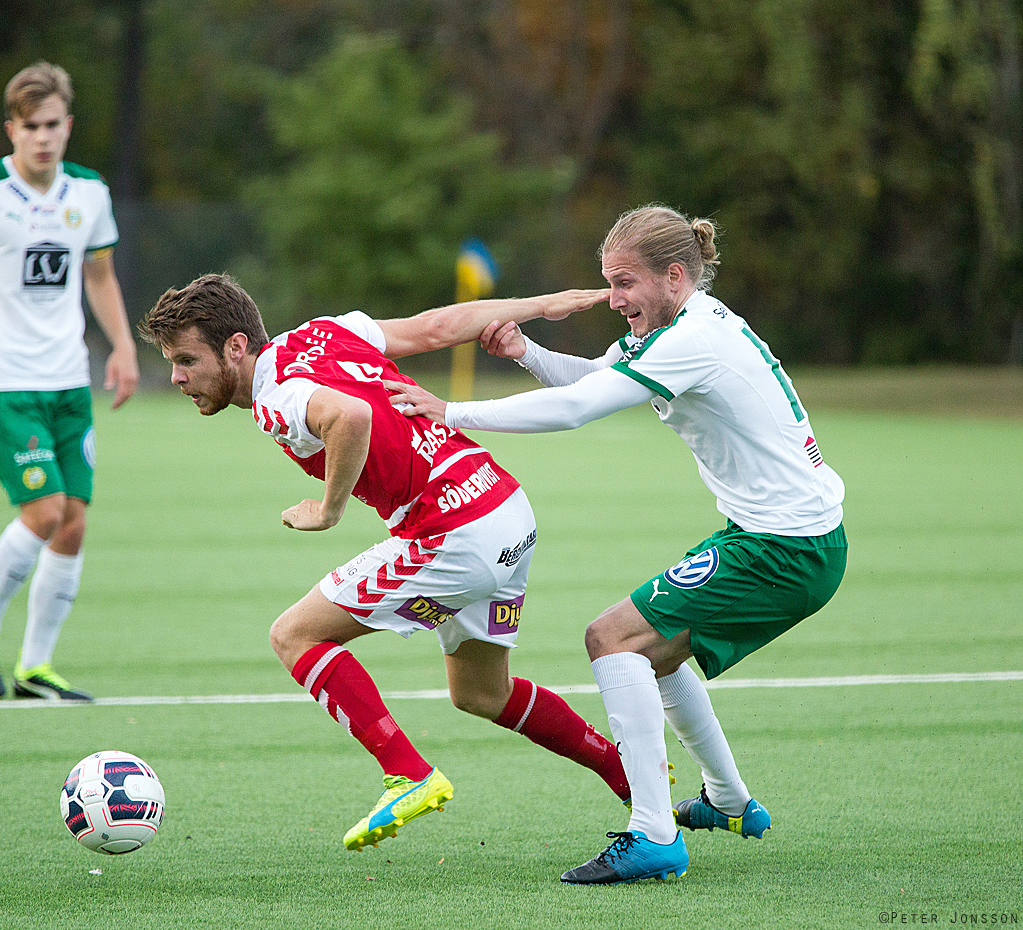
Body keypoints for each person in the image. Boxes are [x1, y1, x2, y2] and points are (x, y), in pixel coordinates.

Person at [387, 204, 848, 884]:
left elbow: (578, 410)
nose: (614, 298)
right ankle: (728, 802)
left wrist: (452, 411)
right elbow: (593, 381)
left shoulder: (693, 339)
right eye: (608, 282)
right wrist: (526, 354)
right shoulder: (671, 327)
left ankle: (654, 835)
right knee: (650, 651)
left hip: (787, 548)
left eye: (625, 282)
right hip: (778, 537)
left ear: (673, 276)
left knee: (612, 640)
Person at [137, 272, 632, 852]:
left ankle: (408, 774)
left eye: (187, 360)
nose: (177, 377)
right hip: (505, 507)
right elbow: (438, 327)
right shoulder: (325, 333)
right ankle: (627, 774)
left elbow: (350, 416)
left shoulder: (276, 398)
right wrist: (542, 304)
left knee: (294, 635)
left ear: (236, 347)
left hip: (454, 532)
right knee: (481, 693)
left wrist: (328, 510)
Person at [0, 61, 140, 702]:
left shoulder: (89, 192)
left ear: (68, 125)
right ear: (11, 130)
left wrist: (124, 345)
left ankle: (35, 667)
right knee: (44, 512)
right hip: (4, 382)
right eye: (30, 127)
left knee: (73, 522)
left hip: (68, 380)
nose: (42, 137)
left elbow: (99, 275)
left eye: (52, 125)